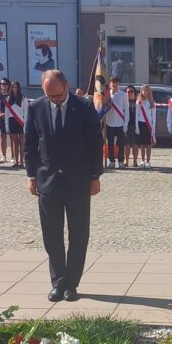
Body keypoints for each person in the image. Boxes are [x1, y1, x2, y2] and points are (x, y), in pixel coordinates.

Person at [24, 69, 103, 302]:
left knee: (78, 235)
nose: (55, 101)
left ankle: (72, 284)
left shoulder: (84, 107)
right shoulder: (36, 107)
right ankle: (58, 282)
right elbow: (29, 145)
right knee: (52, 235)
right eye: (50, 97)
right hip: (48, 182)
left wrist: (95, 176)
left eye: (58, 96)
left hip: (78, 181)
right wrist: (31, 176)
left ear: (66, 87)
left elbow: (95, 143)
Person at [103, 77, 129, 169]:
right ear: (110, 83)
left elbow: (126, 110)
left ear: (118, 84)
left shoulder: (123, 95)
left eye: (116, 83)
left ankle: (121, 161)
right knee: (109, 143)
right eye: (112, 83)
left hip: (120, 122)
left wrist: (126, 124)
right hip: (109, 122)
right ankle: (111, 161)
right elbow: (104, 108)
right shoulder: (107, 95)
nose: (114, 84)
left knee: (121, 143)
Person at [5, 80, 29, 168]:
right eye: (13, 87)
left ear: (18, 88)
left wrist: (26, 124)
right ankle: (16, 161)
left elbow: (26, 112)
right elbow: (6, 114)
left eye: (16, 87)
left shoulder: (23, 98)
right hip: (12, 121)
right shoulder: (8, 99)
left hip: (21, 121)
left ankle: (22, 162)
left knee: (22, 142)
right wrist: (6, 125)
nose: (14, 89)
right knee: (15, 142)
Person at [123, 84, 139, 167]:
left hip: (135, 125)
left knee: (135, 144)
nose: (130, 93)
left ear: (134, 92)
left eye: (131, 91)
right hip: (126, 125)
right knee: (127, 144)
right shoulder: (124, 102)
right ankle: (126, 160)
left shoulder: (138, 102)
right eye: (128, 92)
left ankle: (135, 161)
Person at [0, 78, 11, 163]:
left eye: (6, 84)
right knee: (3, 137)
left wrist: (8, 115)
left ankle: (13, 156)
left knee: (12, 138)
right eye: (2, 84)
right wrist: (0, 114)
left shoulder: (12, 95)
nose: (4, 85)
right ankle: (4, 156)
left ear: (8, 85)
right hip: (1, 118)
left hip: (11, 118)